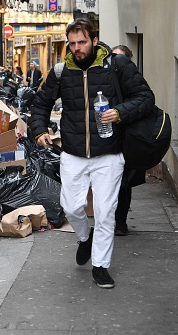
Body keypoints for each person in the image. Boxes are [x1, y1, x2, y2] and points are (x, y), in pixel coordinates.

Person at [30, 18, 154, 289]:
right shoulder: (62, 71)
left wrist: (120, 112)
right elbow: (40, 104)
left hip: (109, 153)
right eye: (72, 43)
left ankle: (100, 266)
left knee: (105, 210)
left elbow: (145, 98)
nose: (77, 48)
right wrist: (39, 130)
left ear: (94, 41)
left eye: (82, 42)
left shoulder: (116, 66)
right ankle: (85, 238)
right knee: (72, 207)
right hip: (73, 152)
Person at [111, 44, 145, 236]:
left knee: (124, 183)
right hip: (108, 138)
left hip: (127, 138)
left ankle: (120, 221)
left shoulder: (132, 81)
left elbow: (142, 102)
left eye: (120, 58)